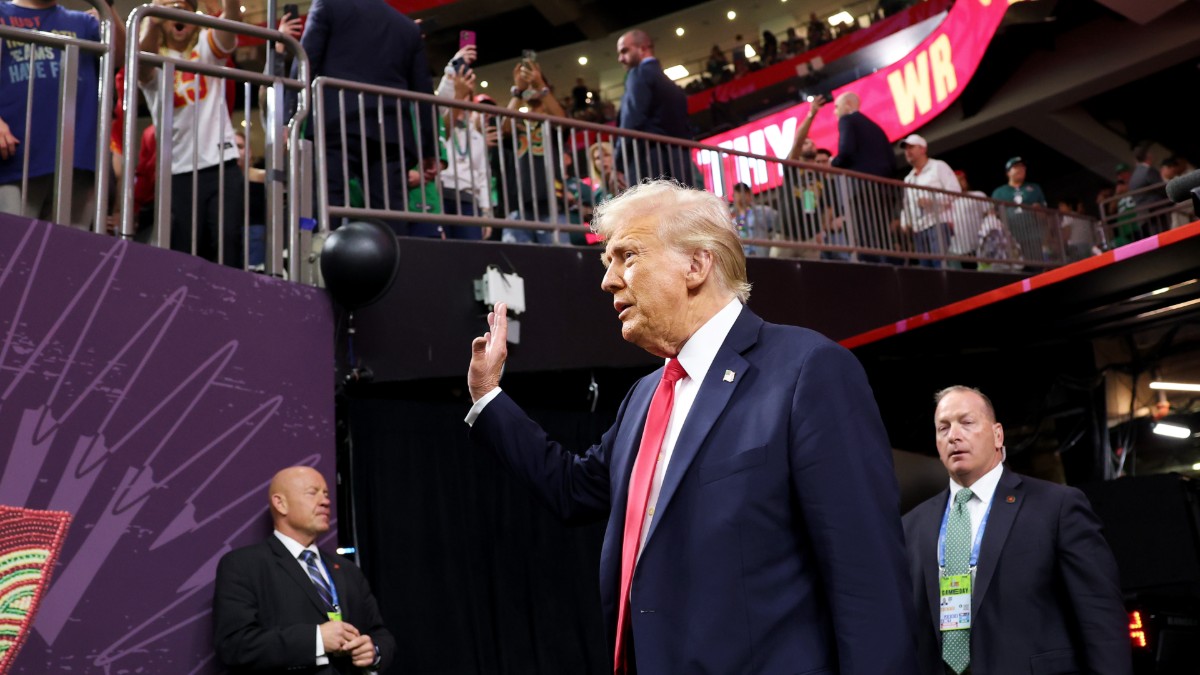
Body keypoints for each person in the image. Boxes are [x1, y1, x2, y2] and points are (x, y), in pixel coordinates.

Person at [466, 179, 918, 675]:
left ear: (697, 265)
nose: (608, 281)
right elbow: (574, 489)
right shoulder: (645, 397)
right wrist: (488, 397)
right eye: (607, 263)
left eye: (627, 256)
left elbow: (866, 577)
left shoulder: (809, 370)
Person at [903, 386, 1131, 675]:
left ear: (998, 435)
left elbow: (1100, 618)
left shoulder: (1056, 506)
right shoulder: (911, 526)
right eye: (943, 428)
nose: (954, 435)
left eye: (967, 422)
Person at [213, 466, 395, 673]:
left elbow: (380, 634)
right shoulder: (243, 564)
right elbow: (234, 645)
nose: (325, 501)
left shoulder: (347, 569)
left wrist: (374, 651)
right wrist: (316, 640)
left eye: (326, 494)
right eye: (312, 492)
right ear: (280, 503)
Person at [299, 0, 439, 236]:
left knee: (326, 206)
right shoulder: (407, 27)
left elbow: (305, 63)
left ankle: (322, 267)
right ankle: (392, 270)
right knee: (390, 216)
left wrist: (290, 117)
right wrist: (429, 148)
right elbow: (424, 93)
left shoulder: (329, 5)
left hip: (337, 124)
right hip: (390, 132)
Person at [137, 0, 245, 266]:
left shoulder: (206, 44)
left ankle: (230, 304)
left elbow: (231, 19)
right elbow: (140, 68)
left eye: (182, 7)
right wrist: (151, 18)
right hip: (178, 171)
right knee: (185, 251)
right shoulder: (153, 55)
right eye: (169, 8)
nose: (177, 13)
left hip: (222, 164)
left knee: (228, 241)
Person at [0, 0, 125, 229]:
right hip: (14, 157)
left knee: (66, 257)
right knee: (11, 253)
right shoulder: (3, 12)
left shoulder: (84, 22)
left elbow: (123, 56)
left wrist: (106, 7)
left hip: (78, 159)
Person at [614, 30, 692, 186]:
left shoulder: (638, 74)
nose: (620, 59)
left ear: (642, 48)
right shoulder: (671, 85)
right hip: (679, 167)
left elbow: (631, 121)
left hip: (650, 166)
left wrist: (618, 162)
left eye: (624, 51)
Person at [829, 91, 894, 261]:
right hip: (883, 188)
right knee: (882, 236)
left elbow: (846, 151)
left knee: (865, 238)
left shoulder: (847, 120)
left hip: (860, 189)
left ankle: (875, 278)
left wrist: (833, 163)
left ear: (849, 105)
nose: (835, 112)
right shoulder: (876, 128)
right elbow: (891, 160)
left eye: (837, 107)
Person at [898, 134, 959, 269]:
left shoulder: (938, 166)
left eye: (911, 147)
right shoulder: (909, 179)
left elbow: (955, 190)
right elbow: (907, 204)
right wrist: (904, 222)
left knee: (941, 264)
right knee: (927, 268)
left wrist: (933, 201)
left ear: (922, 149)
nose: (907, 151)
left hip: (939, 224)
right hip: (919, 229)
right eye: (906, 149)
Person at [990, 157, 1047, 267]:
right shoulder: (999, 192)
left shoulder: (1034, 188)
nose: (1020, 169)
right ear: (1008, 172)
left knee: (1037, 266)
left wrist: (1039, 211)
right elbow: (993, 215)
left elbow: (1045, 215)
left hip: (1033, 235)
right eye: (1016, 167)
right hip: (1010, 236)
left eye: (1022, 167)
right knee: (1016, 268)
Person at [729, 182, 776, 257]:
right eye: (738, 193)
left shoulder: (764, 211)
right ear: (734, 197)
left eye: (744, 192)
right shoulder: (730, 218)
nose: (741, 196)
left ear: (749, 194)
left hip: (761, 256)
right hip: (742, 259)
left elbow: (779, 226)